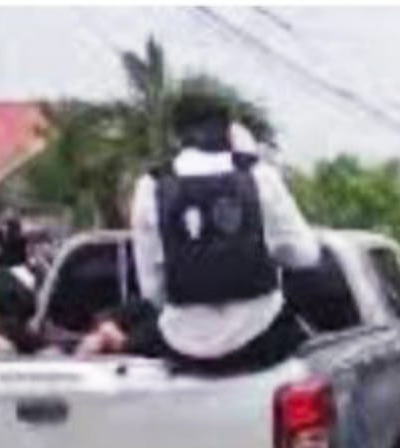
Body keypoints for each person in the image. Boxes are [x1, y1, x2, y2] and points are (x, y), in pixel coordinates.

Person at [128, 93, 321, 374]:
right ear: (230, 129)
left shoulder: (150, 185)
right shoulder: (259, 174)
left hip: (182, 346)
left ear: (175, 135)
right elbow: (305, 256)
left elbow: (152, 290)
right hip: (261, 339)